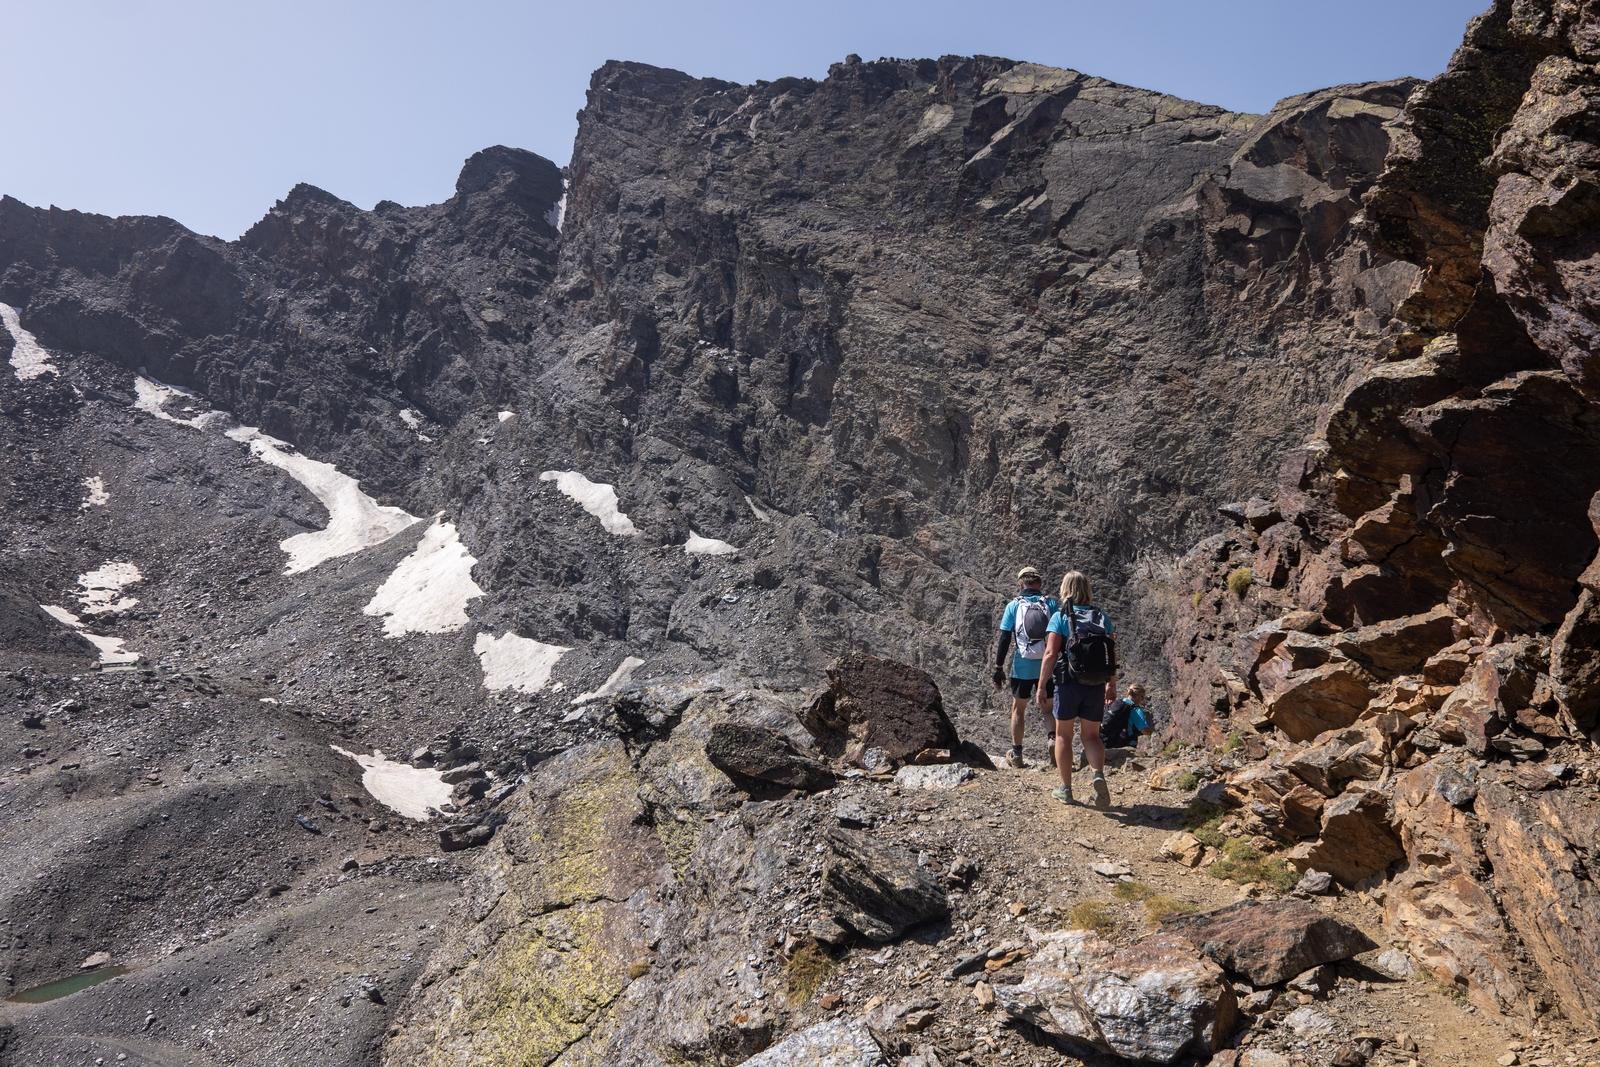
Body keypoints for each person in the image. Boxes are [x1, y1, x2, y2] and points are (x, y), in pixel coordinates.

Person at [1036, 571, 1118, 808]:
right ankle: (1098, 776)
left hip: (1068, 683)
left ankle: (1066, 789)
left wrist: (1042, 686)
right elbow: (1111, 654)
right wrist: (1111, 684)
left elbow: (1051, 654)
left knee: (1063, 735)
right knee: (1091, 736)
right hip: (1095, 684)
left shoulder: (1062, 617)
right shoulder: (1102, 617)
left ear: (1065, 589)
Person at [991, 566, 1059, 768]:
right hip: (1048, 665)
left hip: (1022, 665)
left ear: (1021, 584)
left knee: (1018, 709)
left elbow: (1004, 637)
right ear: (1040, 584)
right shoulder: (1052, 604)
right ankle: (1053, 741)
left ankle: (1017, 753)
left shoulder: (1013, 606)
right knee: (1048, 708)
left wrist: (998, 666)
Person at [1101, 683, 1151, 750]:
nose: (1142, 700)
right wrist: (1152, 734)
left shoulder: (1117, 703)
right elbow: (1144, 730)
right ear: (1138, 696)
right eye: (1142, 697)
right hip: (1124, 744)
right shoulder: (1135, 709)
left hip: (1106, 741)